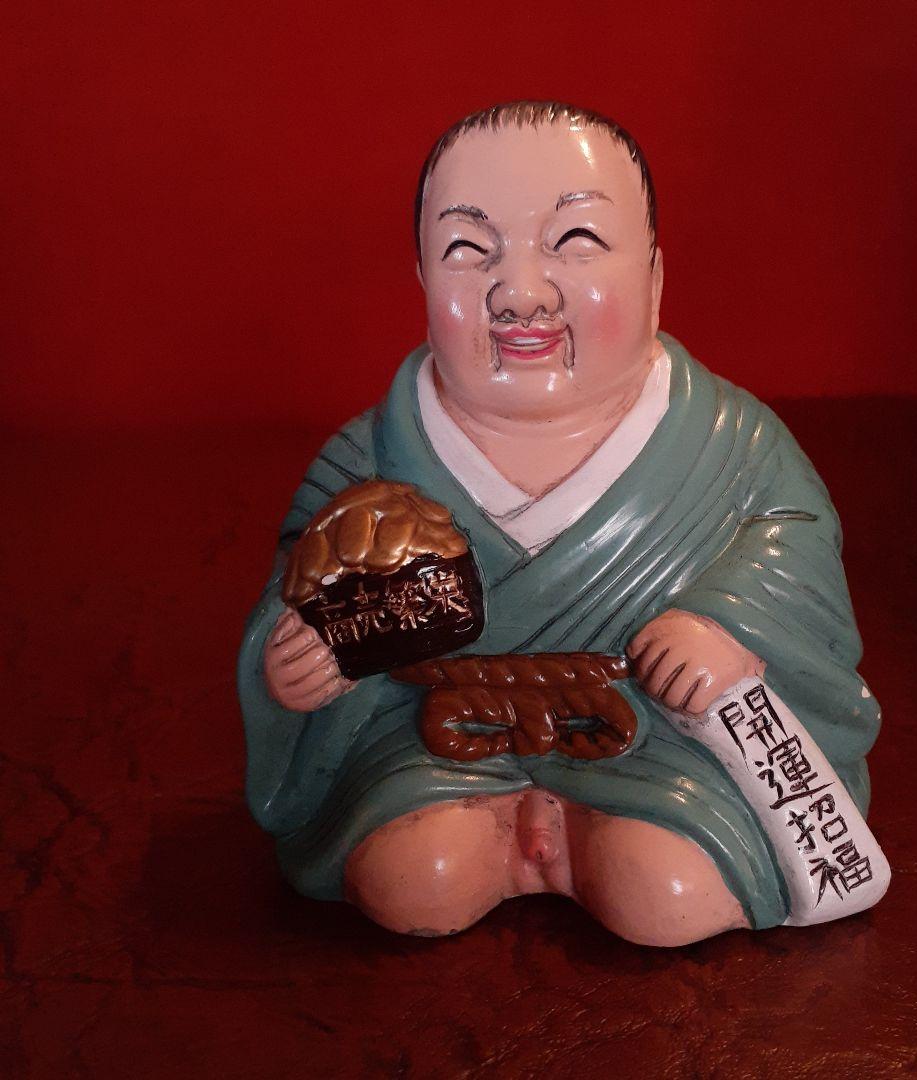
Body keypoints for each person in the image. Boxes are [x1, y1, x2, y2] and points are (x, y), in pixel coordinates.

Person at [238, 102, 884, 945]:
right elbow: (296, 589)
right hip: (431, 748)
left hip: (661, 746)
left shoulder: (733, 446)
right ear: (422, 281)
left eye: (575, 242)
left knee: (663, 891)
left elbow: (793, 550)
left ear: (654, 278)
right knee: (413, 878)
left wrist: (726, 629)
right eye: (468, 250)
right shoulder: (370, 461)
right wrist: (293, 665)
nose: (521, 295)